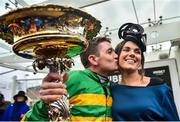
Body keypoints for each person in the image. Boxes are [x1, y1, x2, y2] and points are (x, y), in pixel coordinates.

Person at [22, 36, 118, 121]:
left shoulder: (111, 86)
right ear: (93, 59)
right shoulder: (75, 78)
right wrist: (45, 104)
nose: (116, 56)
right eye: (110, 52)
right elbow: (31, 119)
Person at [111, 23, 179, 121]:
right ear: (117, 56)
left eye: (137, 52)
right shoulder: (111, 90)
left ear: (140, 61)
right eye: (126, 50)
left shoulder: (159, 88)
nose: (132, 54)